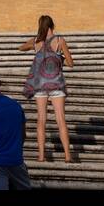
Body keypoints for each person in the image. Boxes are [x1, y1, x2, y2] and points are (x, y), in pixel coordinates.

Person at [20, 14, 74, 163]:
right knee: (60, 119)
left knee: (41, 120)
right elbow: (71, 63)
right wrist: (62, 57)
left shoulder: (36, 41)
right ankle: (68, 156)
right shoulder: (59, 40)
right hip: (56, 83)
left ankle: (41, 156)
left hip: (39, 84)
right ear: (52, 26)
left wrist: (33, 44)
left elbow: (21, 48)